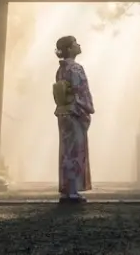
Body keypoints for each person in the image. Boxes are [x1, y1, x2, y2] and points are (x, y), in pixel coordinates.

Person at [52, 35, 94, 203]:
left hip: (63, 112)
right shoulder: (76, 68)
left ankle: (67, 190)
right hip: (74, 111)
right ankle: (72, 191)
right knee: (75, 151)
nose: (78, 45)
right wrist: (87, 108)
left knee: (66, 151)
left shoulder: (61, 69)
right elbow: (80, 91)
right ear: (69, 49)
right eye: (75, 43)